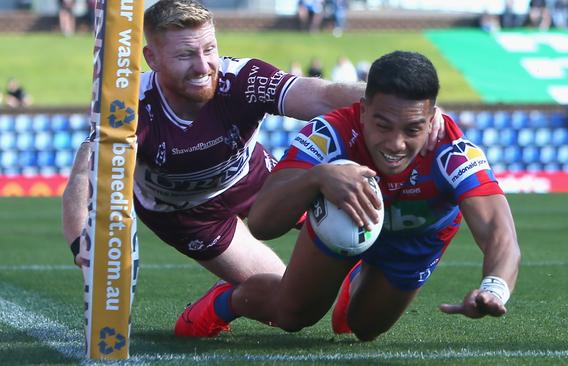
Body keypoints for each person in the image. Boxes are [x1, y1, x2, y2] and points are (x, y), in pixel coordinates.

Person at [62, 0, 444, 306]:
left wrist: (407, 105)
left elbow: (323, 96)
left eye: (209, 49)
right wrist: (83, 245)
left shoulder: (242, 79)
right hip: (185, 213)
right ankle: (222, 303)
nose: (202, 66)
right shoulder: (129, 105)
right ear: (152, 58)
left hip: (251, 176)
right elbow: (84, 176)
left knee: (361, 227)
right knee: (287, 297)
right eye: (185, 56)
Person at [174, 51, 521, 342]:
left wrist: (494, 288)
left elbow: (498, 232)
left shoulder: (455, 153)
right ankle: (225, 301)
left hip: (415, 241)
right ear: (364, 109)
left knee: (364, 329)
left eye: (413, 129)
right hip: (343, 222)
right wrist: (318, 177)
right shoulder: (332, 133)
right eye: (383, 125)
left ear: (431, 121)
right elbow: (264, 222)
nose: (396, 144)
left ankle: (355, 280)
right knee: (293, 315)